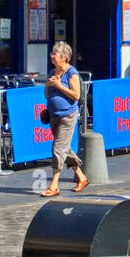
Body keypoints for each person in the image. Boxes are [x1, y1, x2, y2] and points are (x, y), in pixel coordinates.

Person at [40, 41, 87, 197]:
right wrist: (48, 85)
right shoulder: (52, 72)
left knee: (58, 149)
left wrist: (59, 86)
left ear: (65, 57)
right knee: (64, 149)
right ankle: (81, 177)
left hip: (68, 115)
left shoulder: (71, 73)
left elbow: (76, 96)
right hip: (54, 115)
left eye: (55, 54)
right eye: (52, 53)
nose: (51, 56)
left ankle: (54, 185)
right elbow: (48, 95)